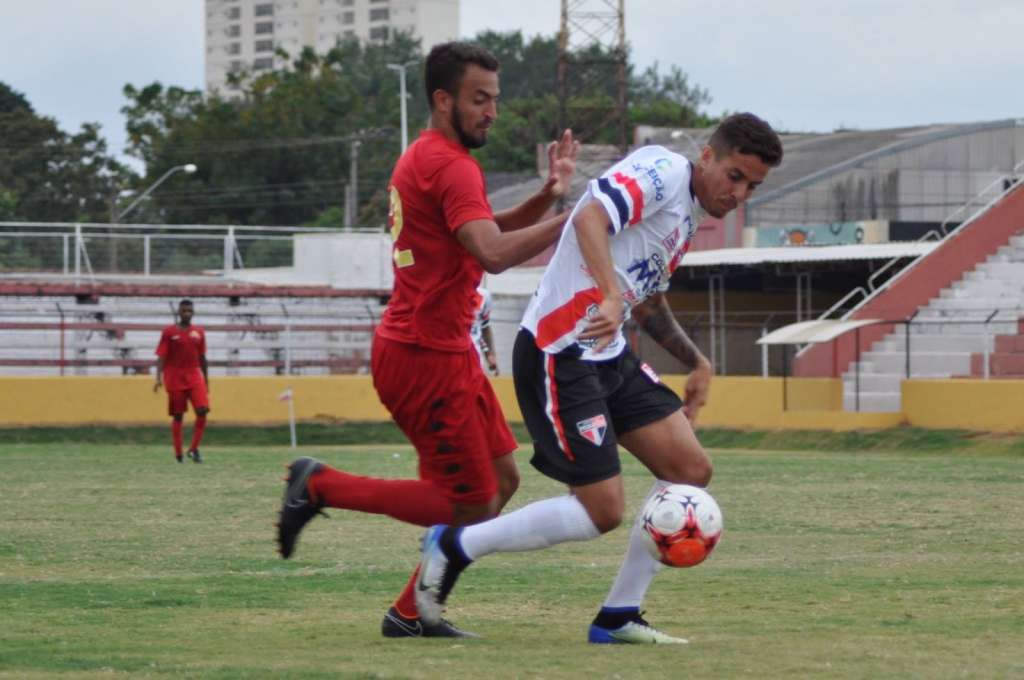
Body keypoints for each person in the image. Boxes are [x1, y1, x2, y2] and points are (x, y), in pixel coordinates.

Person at [415, 113, 783, 644]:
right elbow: (588, 217)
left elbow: (646, 297)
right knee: (601, 511)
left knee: (690, 468)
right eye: (735, 176)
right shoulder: (659, 171)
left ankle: (618, 616)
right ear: (707, 155)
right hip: (559, 351)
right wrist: (610, 295)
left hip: (608, 354)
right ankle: (455, 546)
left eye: (754, 186)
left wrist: (696, 360)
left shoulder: (688, 214)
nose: (741, 193)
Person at [275, 41, 579, 638]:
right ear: (444, 100)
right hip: (423, 358)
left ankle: (410, 612)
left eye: (495, 98)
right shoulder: (449, 164)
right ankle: (319, 485)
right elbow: (492, 255)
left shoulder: (435, 156)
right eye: (479, 99)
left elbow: (480, 233)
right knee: (466, 504)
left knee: (502, 482)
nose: (492, 111)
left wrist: (549, 196)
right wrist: (577, 222)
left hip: (445, 351)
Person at [154, 299, 209, 464]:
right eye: (184, 311)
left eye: (189, 311)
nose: (187, 314)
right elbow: (161, 356)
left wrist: (206, 379)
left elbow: (202, 357)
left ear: (193, 313)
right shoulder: (169, 332)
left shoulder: (199, 332)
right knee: (178, 416)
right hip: (174, 376)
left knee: (203, 410)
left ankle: (193, 449)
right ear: (179, 312)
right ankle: (178, 454)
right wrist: (158, 378)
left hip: (194, 375)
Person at [470, 285, 499, 375]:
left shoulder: (484, 295)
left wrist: (490, 355)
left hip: (475, 357)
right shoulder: (448, 293)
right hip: (450, 355)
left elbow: (483, 327)